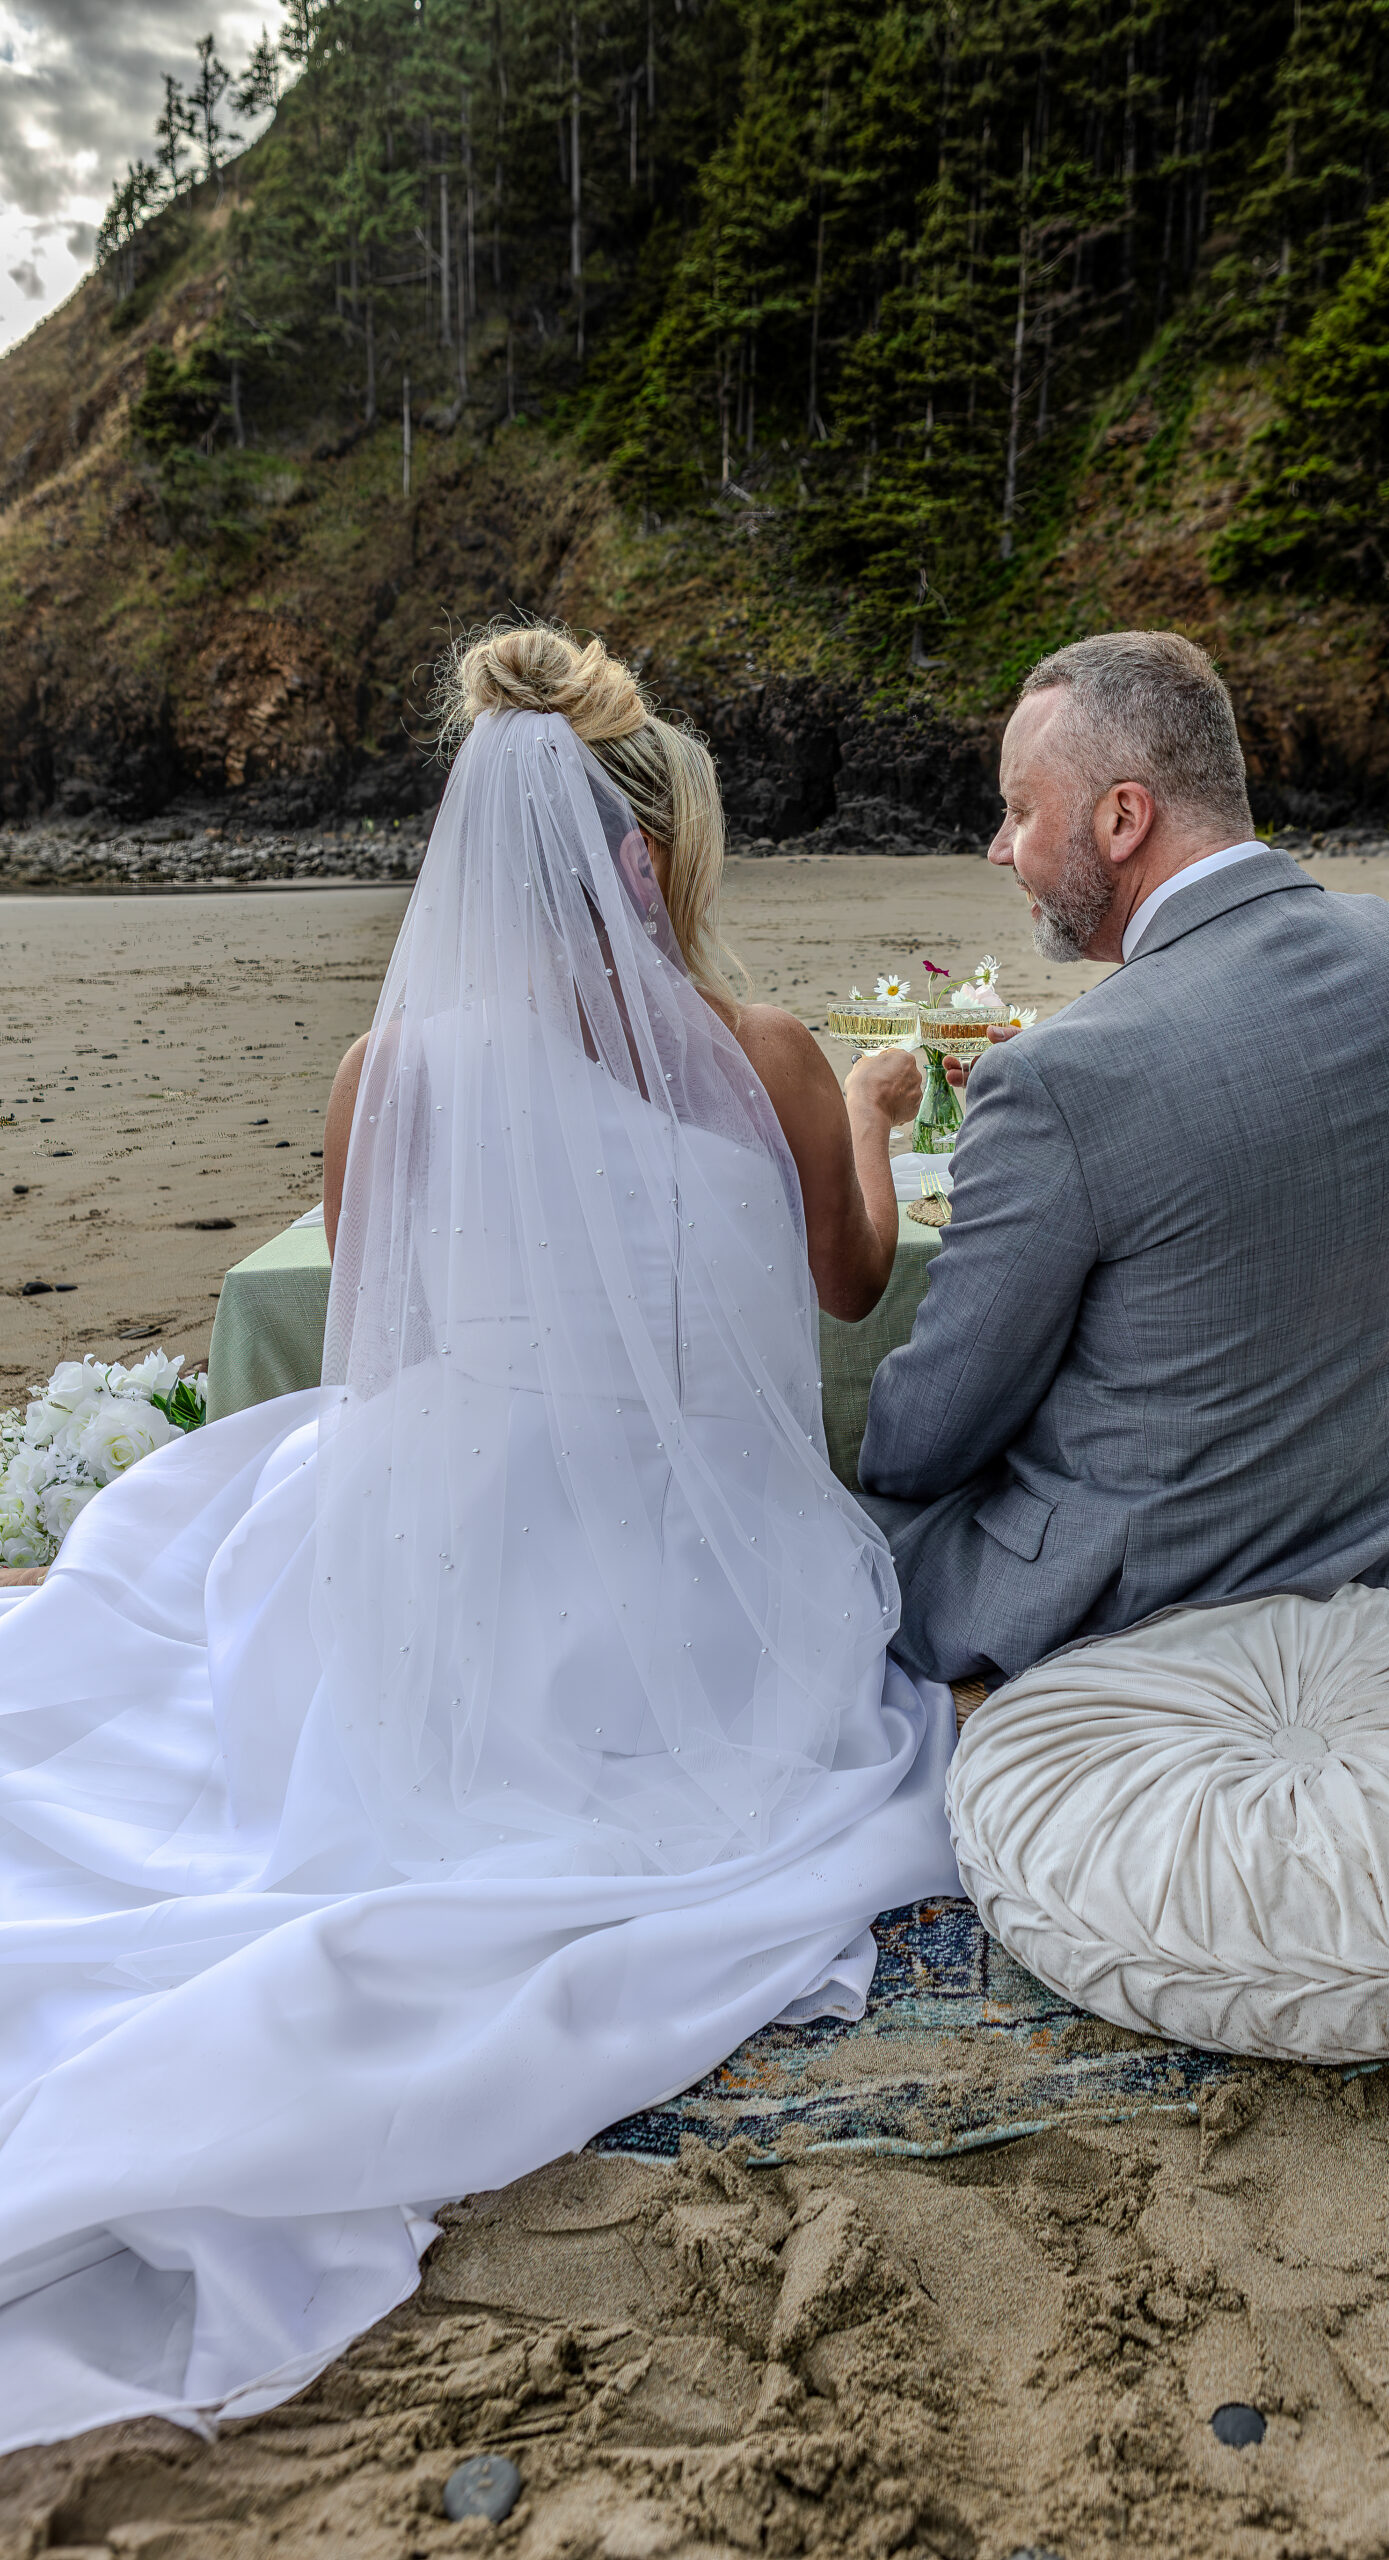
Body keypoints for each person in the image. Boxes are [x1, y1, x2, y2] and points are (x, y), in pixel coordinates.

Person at [0, 621, 956, 2457]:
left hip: (458, 1530)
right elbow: (847, 1284)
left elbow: (382, 1322)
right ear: (650, 857)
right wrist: (873, 1113)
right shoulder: (766, 1051)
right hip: (700, 1569)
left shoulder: (389, 1071)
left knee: (198, 1563)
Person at [859, 630, 1389, 1685]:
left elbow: (923, 1442)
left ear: (1122, 817)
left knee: (817, 1523)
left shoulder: (1064, 1079)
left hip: (1132, 1614)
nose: (998, 847)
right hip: (1371, 1563)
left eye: (1019, 810)